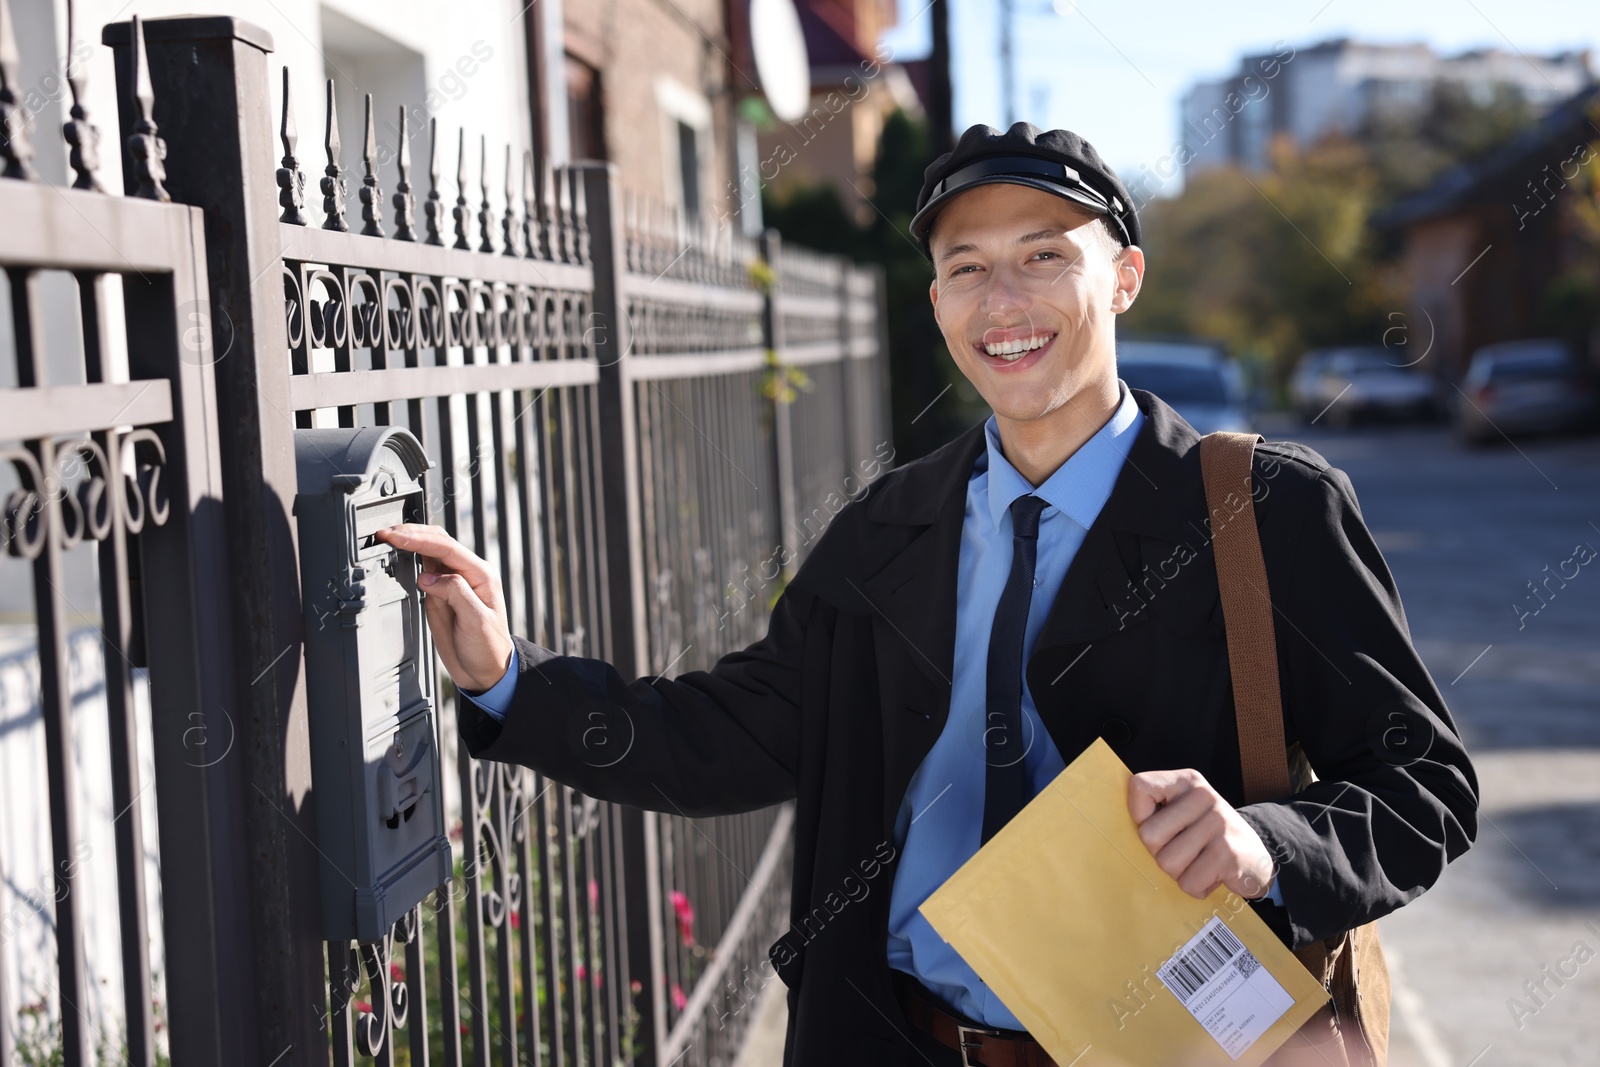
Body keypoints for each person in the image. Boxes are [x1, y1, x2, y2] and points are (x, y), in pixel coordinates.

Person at [377, 122, 1478, 1067]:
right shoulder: (888, 524)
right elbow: (737, 731)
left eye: (1045, 255)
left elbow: (1427, 782)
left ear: (1124, 276)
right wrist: (510, 682)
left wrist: (1264, 841)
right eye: (966, 267)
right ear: (939, 296)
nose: (1003, 301)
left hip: (1170, 1044)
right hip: (900, 1034)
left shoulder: (1267, 510)